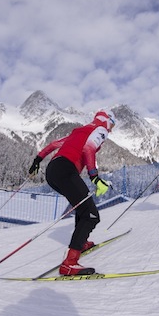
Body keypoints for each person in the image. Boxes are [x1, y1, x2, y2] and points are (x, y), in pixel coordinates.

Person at [28, 109, 116, 276]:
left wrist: (37, 160)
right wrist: (94, 178)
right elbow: (88, 149)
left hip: (53, 171)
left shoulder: (80, 130)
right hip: (67, 169)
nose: (112, 129)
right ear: (108, 120)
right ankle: (69, 263)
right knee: (91, 214)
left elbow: (54, 145)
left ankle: (80, 243)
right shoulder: (101, 129)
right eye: (113, 124)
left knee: (82, 208)